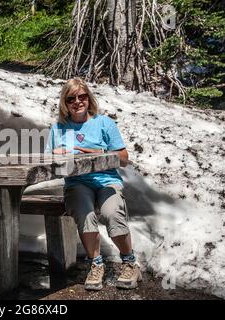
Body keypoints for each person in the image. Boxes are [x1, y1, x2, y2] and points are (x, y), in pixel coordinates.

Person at [45, 78, 141, 290]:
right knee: (84, 213)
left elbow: (124, 158)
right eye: (71, 98)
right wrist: (55, 154)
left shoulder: (104, 123)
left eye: (82, 96)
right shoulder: (59, 129)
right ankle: (96, 264)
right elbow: (49, 163)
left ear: (89, 98)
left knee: (112, 212)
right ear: (64, 103)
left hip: (107, 180)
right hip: (77, 182)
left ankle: (129, 262)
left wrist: (88, 151)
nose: (77, 102)